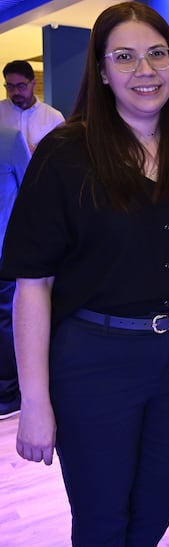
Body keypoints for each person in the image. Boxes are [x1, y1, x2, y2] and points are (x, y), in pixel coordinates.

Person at [0, 1, 169, 545]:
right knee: (101, 517)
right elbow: (33, 284)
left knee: (165, 495)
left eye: (157, 54)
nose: (145, 70)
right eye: (125, 56)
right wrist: (35, 402)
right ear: (100, 70)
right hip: (94, 361)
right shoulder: (66, 152)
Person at [0, 126, 30, 420]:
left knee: (7, 320)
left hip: (3, 250)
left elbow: (30, 191)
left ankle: (8, 393)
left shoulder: (9, 138)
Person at [1, 60, 65, 153]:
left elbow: (63, 154)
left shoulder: (54, 118)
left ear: (33, 84)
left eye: (21, 86)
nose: (16, 92)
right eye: (10, 86)